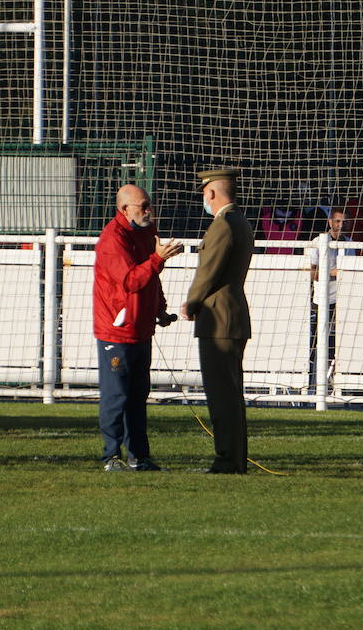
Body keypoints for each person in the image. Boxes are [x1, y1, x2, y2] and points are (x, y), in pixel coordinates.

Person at [92, 184, 181, 471]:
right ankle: (111, 456)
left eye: (149, 204)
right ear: (124, 209)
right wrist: (158, 258)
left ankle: (139, 457)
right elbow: (130, 281)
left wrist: (159, 309)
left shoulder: (145, 231)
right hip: (117, 332)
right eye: (142, 206)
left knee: (137, 396)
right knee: (116, 396)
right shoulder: (112, 239)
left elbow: (151, 278)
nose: (148, 210)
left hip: (141, 328)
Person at [181, 168, 254, 474]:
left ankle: (227, 459)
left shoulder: (222, 224)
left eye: (204, 192)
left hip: (218, 319)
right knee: (231, 395)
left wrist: (191, 302)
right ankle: (235, 458)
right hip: (232, 316)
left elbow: (208, 271)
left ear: (211, 192)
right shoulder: (240, 221)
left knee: (221, 395)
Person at [308, 209, 348, 391]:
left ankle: (335, 383)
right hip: (322, 300)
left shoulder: (350, 244)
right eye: (338, 221)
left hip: (344, 300)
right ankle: (315, 382)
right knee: (317, 343)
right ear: (330, 222)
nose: (341, 225)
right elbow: (312, 273)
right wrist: (332, 273)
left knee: (338, 345)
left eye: (344, 222)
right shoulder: (318, 242)